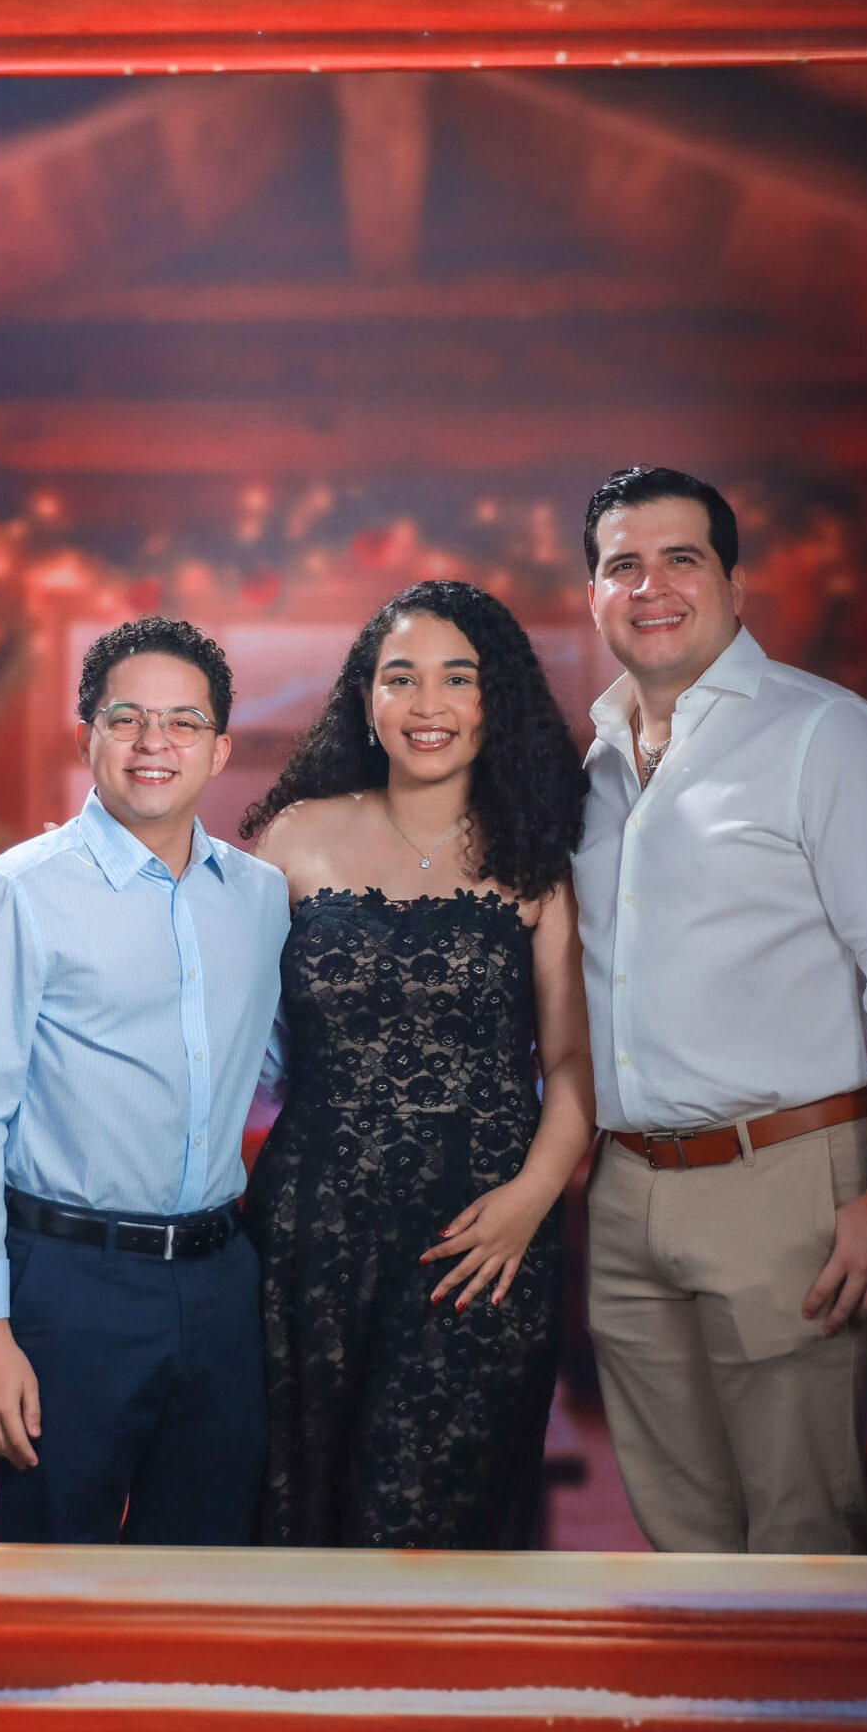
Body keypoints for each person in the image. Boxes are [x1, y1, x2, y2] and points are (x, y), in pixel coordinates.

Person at [573, 466, 867, 1553]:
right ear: (593, 596)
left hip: (789, 1179)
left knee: (800, 1536)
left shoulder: (825, 734)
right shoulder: (597, 768)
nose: (650, 586)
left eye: (681, 559)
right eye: (622, 565)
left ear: (736, 585)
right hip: (625, 1192)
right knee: (681, 1540)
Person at [241, 580, 595, 1549]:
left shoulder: (538, 855)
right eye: (400, 677)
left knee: (427, 1527)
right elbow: (226, 1028)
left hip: (480, 1234)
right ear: (366, 698)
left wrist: (531, 1199)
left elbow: (571, 1061)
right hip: (310, 1231)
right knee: (298, 1517)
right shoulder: (294, 835)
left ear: (495, 700)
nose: (426, 704)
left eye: (457, 678)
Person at [0, 616, 289, 1545]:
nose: (154, 743)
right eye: (127, 719)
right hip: (68, 1287)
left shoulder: (258, 898)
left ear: (218, 749)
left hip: (221, 1284)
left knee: (206, 1572)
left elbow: (278, 1064)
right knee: (51, 1574)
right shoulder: (15, 894)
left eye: (183, 723)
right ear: (86, 736)